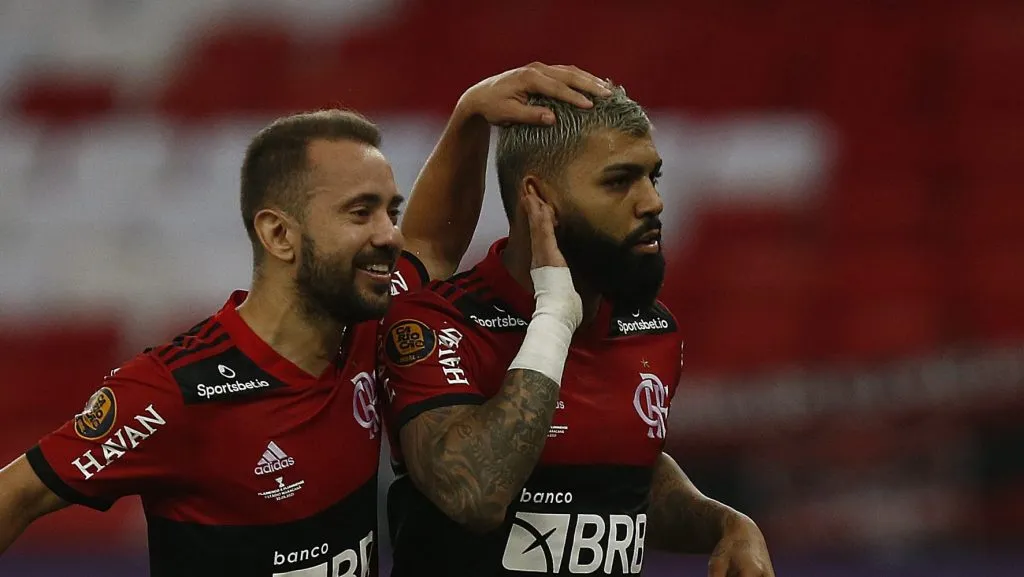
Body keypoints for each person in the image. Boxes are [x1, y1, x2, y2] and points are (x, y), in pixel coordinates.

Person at [0, 63, 612, 576]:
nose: (388, 234)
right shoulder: (174, 390)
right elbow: (17, 495)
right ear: (278, 234)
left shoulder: (366, 326)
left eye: (389, 210)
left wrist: (470, 114)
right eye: (360, 212)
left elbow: (431, 245)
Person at [377, 84, 777, 577]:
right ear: (540, 198)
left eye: (653, 177)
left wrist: (728, 525)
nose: (653, 202)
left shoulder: (650, 329)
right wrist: (555, 317)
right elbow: (474, 493)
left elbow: (626, 474)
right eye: (619, 182)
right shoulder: (440, 323)